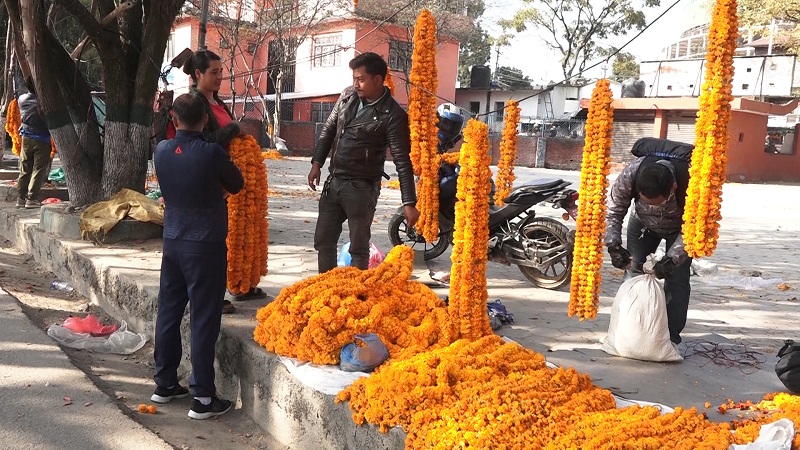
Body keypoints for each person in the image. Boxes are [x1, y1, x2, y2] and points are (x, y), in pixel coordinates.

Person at [151, 93, 244, 420]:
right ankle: (203, 397)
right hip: (205, 245)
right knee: (204, 319)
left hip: (173, 241)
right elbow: (237, 183)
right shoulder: (212, 153)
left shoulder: (161, 151)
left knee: (169, 311)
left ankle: (164, 383)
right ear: (205, 119)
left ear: (173, 121)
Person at [308, 52, 419, 273]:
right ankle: (326, 287)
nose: (355, 84)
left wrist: (409, 203)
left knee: (358, 247)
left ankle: (356, 297)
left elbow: (402, 161)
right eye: (354, 78)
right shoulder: (347, 96)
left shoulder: (393, 115)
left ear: (378, 79)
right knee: (323, 240)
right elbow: (329, 130)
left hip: (361, 188)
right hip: (334, 181)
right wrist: (317, 163)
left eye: (361, 79)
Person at [173, 49, 266, 311]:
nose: (220, 77)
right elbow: (199, 142)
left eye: (221, 72)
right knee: (213, 242)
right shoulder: (195, 105)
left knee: (232, 238)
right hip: (213, 180)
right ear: (198, 74)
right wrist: (232, 130)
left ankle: (239, 284)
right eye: (214, 72)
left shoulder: (218, 102)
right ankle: (211, 297)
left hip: (230, 177)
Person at [605, 151, 692, 345]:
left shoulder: (692, 183)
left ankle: (669, 338)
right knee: (633, 272)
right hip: (642, 224)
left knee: (677, 280)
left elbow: (696, 228)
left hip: (680, 230)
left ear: (673, 187)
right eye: (646, 201)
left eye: (657, 203)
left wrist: (672, 260)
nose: (653, 206)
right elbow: (614, 210)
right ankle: (629, 328)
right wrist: (613, 245)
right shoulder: (632, 174)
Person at [16, 89, 52, 209]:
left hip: (26, 138)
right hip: (42, 139)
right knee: (38, 169)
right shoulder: (45, 100)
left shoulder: (22, 99)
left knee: (25, 168)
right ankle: (31, 199)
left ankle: (20, 198)